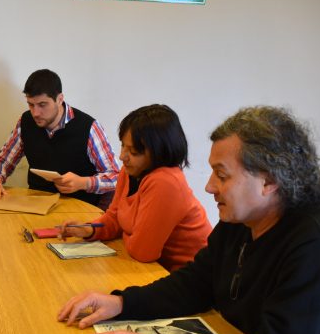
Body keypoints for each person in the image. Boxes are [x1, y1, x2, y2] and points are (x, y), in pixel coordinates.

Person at [57, 106, 320, 334]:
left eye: (222, 175)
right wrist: (122, 302)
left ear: (268, 180)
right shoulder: (243, 218)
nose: (209, 186)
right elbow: (196, 283)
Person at [59, 105, 211, 271]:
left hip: (189, 275)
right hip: (156, 269)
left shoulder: (165, 181)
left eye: (133, 151)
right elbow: (114, 218)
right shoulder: (130, 170)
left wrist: (125, 233)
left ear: (159, 152)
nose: (122, 156)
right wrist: (89, 229)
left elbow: (142, 252)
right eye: (123, 145)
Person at [0, 69, 120, 208]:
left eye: (42, 104)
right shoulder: (26, 121)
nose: (35, 113)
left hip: (78, 209)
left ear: (60, 99)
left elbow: (116, 177)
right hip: (36, 204)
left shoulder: (89, 127)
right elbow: (4, 159)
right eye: (31, 104)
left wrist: (83, 183)